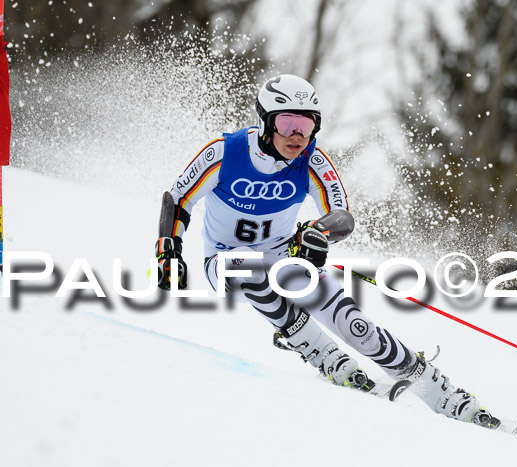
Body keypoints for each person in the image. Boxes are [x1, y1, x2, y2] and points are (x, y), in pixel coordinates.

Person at [154, 74, 498, 428]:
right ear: (265, 122)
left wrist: (318, 232)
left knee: (355, 324)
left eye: (306, 124)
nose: (296, 135)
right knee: (248, 269)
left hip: (282, 257)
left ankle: (443, 393)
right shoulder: (225, 152)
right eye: (286, 122)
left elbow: (341, 215)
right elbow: (178, 198)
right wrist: (169, 249)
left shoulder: (313, 161)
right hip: (225, 263)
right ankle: (320, 352)